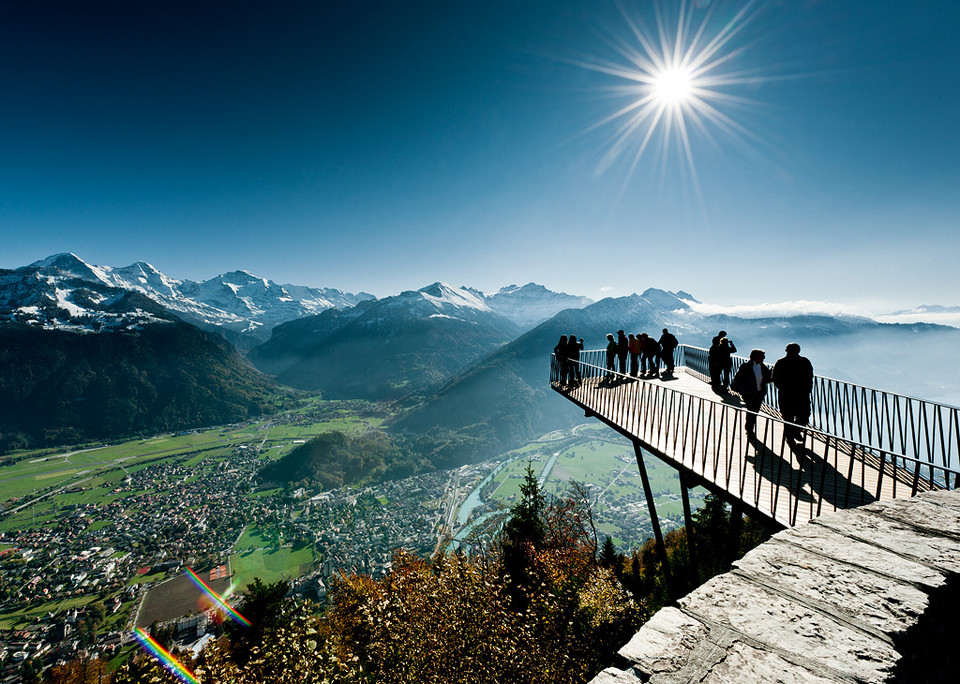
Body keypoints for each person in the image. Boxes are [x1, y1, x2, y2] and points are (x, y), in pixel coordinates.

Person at [773, 343, 814, 442]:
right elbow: (809, 377)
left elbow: (776, 378)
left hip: (787, 394)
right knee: (802, 416)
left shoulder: (781, 362)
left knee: (789, 417)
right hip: (800, 394)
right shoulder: (805, 361)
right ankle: (793, 434)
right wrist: (807, 389)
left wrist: (782, 387)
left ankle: (791, 434)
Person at [733, 349, 772, 436]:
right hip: (749, 394)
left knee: (755, 411)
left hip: (759, 394)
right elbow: (738, 379)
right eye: (762, 356)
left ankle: (750, 429)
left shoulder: (763, 367)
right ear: (756, 356)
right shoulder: (746, 366)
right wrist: (744, 390)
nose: (764, 358)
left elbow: (765, 379)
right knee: (751, 411)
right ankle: (749, 430)